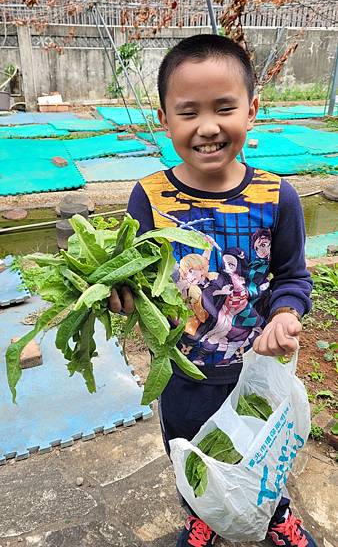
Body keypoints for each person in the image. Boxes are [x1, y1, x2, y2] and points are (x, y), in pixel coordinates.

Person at [109, 34, 315, 547]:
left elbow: (292, 276)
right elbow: (134, 275)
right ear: (164, 118)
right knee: (189, 449)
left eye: (225, 108)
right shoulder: (150, 196)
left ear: (252, 109)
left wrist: (285, 315)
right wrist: (119, 296)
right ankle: (202, 513)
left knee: (263, 449)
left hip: (255, 367)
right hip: (182, 370)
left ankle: (275, 513)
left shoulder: (277, 197)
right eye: (188, 112)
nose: (207, 127)